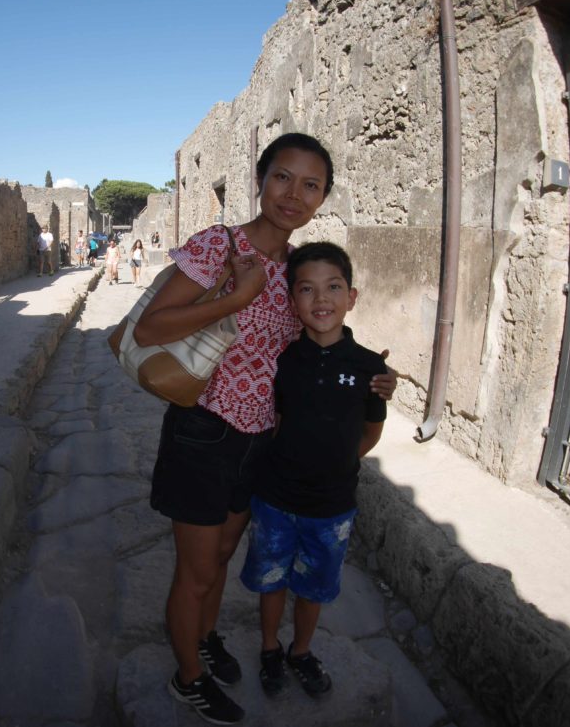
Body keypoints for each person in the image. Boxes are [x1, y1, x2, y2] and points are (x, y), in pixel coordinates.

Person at [133, 133, 396, 725]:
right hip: (203, 430)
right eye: (283, 177)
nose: (293, 194)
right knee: (195, 570)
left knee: (223, 555)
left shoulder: (302, 268)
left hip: (260, 440)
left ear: (322, 197)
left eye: (311, 185)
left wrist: (374, 375)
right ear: (260, 178)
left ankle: (201, 641)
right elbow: (151, 329)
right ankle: (188, 679)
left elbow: (317, 338)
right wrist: (235, 297)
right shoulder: (220, 247)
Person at [240, 241, 387, 700]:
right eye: (307, 289)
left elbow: (369, 433)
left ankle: (300, 651)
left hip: (332, 506)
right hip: (276, 499)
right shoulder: (284, 360)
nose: (321, 299)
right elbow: (278, 420)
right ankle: (269, 648)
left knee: (313, 587)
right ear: (293, 300)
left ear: (352, 296)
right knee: (271, 579)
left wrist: (335, 464)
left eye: (333, 287)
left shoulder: (370, 368)